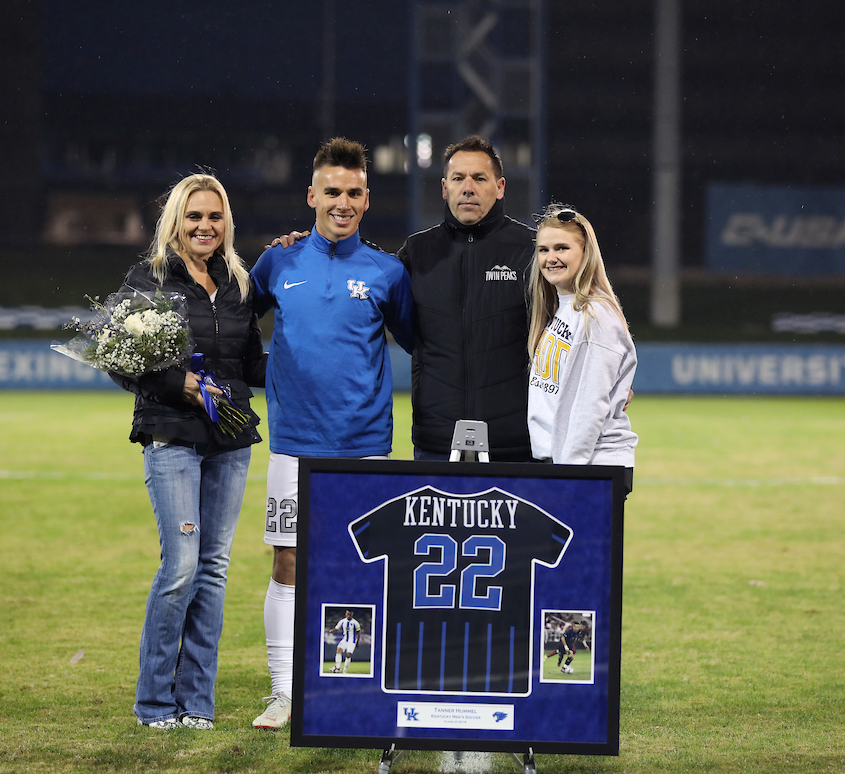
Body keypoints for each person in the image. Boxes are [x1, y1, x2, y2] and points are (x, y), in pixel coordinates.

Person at [248, 137, 414, 729]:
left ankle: (348, 688)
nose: (342, 202)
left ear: (367, 199)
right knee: (288, 563)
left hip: (365, 446)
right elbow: (237, 324)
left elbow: (424, 346)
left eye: (353, 192)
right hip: (294, 444)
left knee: (358, 567)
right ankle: (286, 692)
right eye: (332, 191)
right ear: (311, 195)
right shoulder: (278, 262)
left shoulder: (388, 273)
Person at [272, 135, 535, 461]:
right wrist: (306, 245)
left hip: (515, 444)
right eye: (458, 178)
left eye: (479, 178)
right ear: (444, 188)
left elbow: (576, 309)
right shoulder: (416, 253)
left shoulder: (533, 251)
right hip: (436, 443)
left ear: (500, 187)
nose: (468, 187)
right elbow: (400, 324)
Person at [111, 174, 266, 730]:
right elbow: (119, 358)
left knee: (214, 570)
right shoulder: (148, 279)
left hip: (229, 441)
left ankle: (196, 702)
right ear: (175, 220)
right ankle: (154, 704)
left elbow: (250, 365)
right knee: (180, 567)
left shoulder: (239, 283)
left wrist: (310, 366)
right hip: (171, 435)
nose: (205, 226)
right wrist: (182, 386)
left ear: (227, 223)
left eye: (215, 217)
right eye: (194, 216)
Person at [527, 206, 637, 477]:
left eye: (562, 248)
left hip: (589, 466)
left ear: (585, 253)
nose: (550, 258)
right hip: (568, 462)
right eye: (544, 250)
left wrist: (569, 474)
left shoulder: (595, 314)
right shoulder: (563, 307)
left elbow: (589, 404)